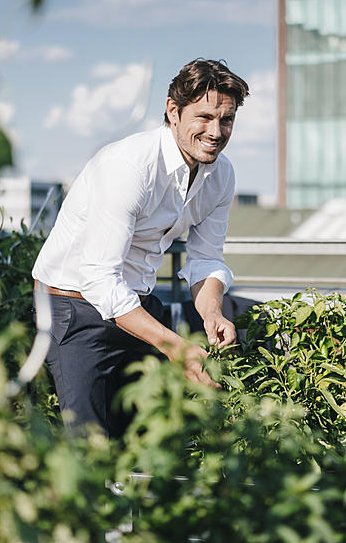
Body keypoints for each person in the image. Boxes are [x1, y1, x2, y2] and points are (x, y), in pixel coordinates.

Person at [32, 58, 249, 438]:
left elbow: (206, 259)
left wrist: (212, 312)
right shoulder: (128, 167)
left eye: (226, 119)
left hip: (136, 306)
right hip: (75, 309)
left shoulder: (221, 174)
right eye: (204, 117)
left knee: (160, 436)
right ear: (173, 111)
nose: (216, 132)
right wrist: (175, 346)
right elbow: (100, 279)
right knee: (90, 448)